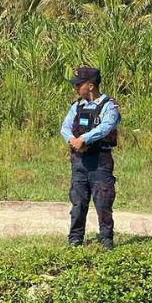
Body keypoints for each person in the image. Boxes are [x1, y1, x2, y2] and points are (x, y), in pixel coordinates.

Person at [60, 66, 120, 248]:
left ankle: (106, 240)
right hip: (79, 161)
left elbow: (106, 127)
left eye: (79, 84)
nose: (76, 88)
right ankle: (75, 239)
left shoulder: (109, 106)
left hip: (100, 161)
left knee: (103, 202)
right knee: (78, 202)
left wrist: (84, 138)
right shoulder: (76, 106)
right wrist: (72, 139)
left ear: (91, 86)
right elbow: (65, 127)